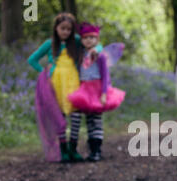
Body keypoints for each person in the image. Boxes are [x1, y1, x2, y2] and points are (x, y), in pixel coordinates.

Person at [28, 13, 101, 162]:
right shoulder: (49, 44)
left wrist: (96, 50)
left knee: (75, 116)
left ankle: (73, 149)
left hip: (74, 83)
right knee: (59, 117)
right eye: (63, 28)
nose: (66, 32)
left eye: (69, 29)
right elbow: (32, 59)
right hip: (56, 85)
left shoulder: (76, 41)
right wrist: (44, 71)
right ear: (56, 28)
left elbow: (94, 42)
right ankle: (63, 150)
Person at [68, 22, 125, 161]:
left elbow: (105, 76)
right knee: (88, 120)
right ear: (81, 40)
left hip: (97, 89)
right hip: (84, 89)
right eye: (86, 38)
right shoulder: (81, 55)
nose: (89, 40)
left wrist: (104, 93)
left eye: (92, 37)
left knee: (96, 120)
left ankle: (96, 149)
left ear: (97, 39)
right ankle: (90, 149)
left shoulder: (100, 56)